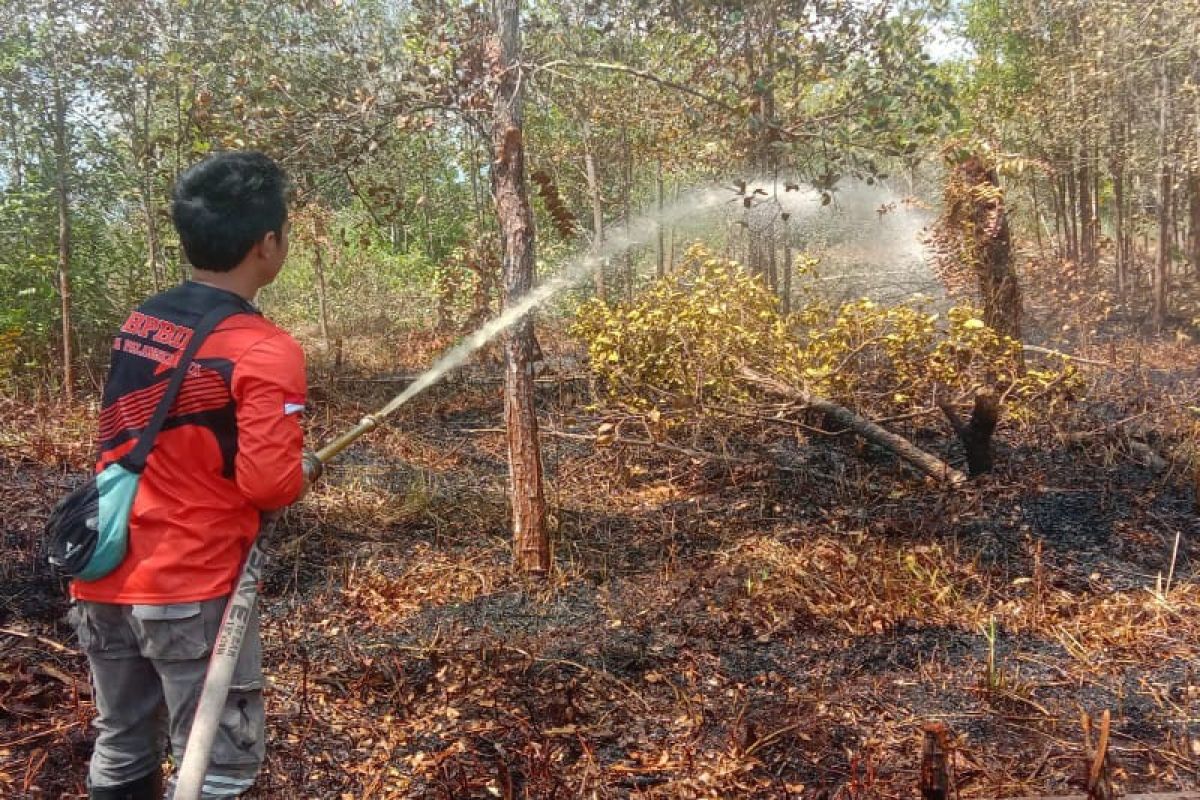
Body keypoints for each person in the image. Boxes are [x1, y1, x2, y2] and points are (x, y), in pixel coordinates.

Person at [69, 151, 319, 800]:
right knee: (221, 768)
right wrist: (300, 470)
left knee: (121, 743)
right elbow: (268, 486)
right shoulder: (265, 349)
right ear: (268, 244)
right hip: (191, 588)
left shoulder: (141, 321)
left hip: (102, 572)